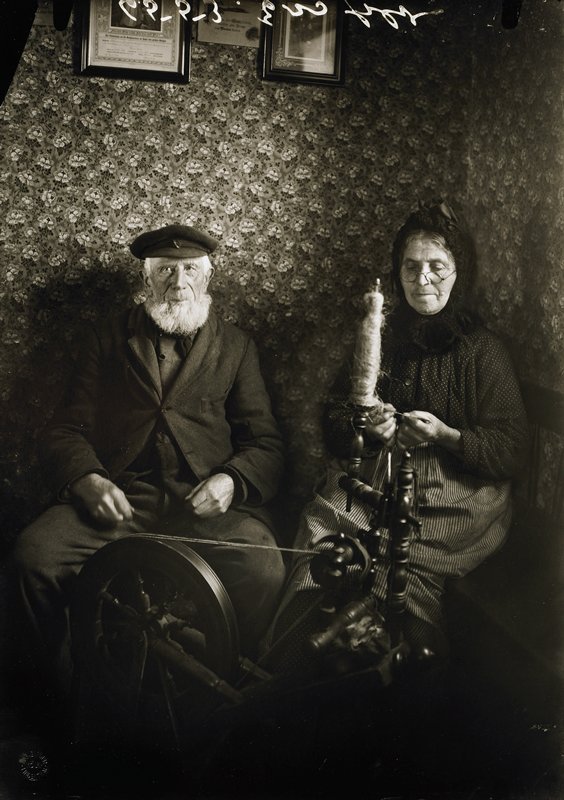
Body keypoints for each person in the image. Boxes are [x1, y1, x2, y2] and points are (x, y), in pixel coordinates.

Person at [12, 223, 286, 693]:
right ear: (145, 281)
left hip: (202, 506)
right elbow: (64, 430)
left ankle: (214, 685)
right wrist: (88, 480)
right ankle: (54, 695)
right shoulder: (105, 338)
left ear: (208, 277)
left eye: (190, 271)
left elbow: (266, 444)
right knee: (32, 557)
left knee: (265, 568)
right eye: (165, 272)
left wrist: (231, 482)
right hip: (122, 502)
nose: (178, 284)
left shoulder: (237, 346)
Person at [275, 199, 528, 659]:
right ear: (397, 273)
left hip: (454, 496)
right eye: (410, 268)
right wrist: (370, 427)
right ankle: (296, 657)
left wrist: (446, 436)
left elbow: (511, 449)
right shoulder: (384, 340)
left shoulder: (483, 351)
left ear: (460, 273)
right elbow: (334, 416)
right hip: (379, 478)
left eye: (437, 267)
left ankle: (396, 662)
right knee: (328, 534)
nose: (422, 279)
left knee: (402, 560)